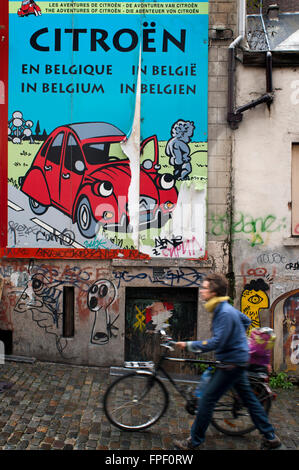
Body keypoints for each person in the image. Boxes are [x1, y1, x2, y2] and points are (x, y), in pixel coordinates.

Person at [173, 273, 281, 450]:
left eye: (205, 288)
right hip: (238, 360)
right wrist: (237, 337)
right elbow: (245, 321)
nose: (201, 291)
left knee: (207, 400)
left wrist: (189, 345)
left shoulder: (223, 312)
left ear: (214, 292)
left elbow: (217, 342)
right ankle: (270, 436)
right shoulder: (224, 308)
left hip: (231, 363)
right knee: (250, 400)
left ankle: (194, 441)